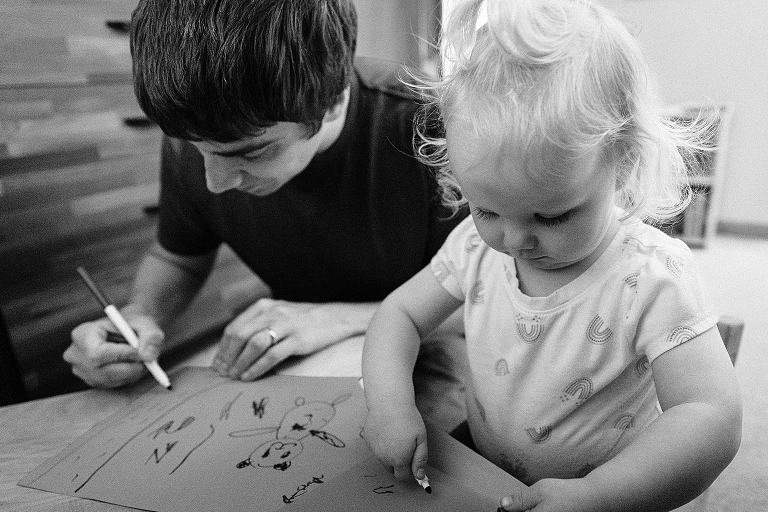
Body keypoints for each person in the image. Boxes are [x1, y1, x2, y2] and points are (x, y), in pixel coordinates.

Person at [361, 0, 742, 510]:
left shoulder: (652, 275)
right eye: (486, 209)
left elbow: (709, 415)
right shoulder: (475, 248)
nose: (514, 241)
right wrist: (389, 405)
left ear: (623, 161)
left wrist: (600, 495)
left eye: (551, 216)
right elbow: (400, 314)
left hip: (619, 494)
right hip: (489, 475)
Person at [64, 0, 468, 428]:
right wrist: (140, 316)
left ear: (333, 100)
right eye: (199, 150)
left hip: (430, 348)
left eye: (251, 153)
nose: (215, 181)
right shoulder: (200, 134)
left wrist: (336, 317)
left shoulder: (433, 128)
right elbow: (177, 257)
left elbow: (491, 295)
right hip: (296, 360)